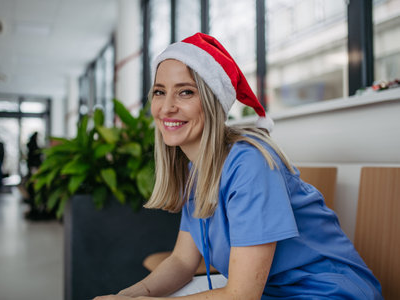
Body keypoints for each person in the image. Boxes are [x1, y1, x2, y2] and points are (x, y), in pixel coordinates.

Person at [95, 33, 383, 299]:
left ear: (211, 101)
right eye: (159, 91)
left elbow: (241, 295)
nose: (167, 106)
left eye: (185, 92)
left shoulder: (250, 164)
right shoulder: (195, 168)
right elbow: (183, 261)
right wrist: (129, 295)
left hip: (325, 292)